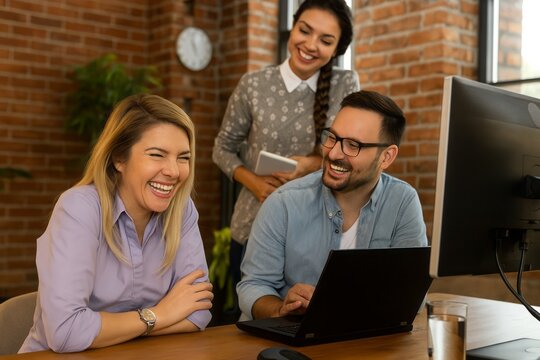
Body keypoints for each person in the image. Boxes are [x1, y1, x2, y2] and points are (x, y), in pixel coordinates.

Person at [19, 94, 213, 353]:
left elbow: (197, 313)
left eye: (183, 157)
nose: (174, 171)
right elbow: (66, 332)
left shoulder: (182, 208)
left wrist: (109, 329)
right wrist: (160, 314)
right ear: (119, 158)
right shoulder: (79, 208)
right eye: (157, 155)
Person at [212, 0, 360, 302]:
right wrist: (255, 183)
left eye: (325, 40)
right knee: (253, 323)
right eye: (304, 31)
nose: (310, 44)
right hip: (252, 225)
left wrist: (307, 164)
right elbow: (222, 149)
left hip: (318, 231)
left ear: (337, 49)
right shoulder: (253, 84)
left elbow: (350, 152)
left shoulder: (346, 84)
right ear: (292, 28)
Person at [237, 90, 428, 321]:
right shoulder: (283, 202)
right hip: (286, 338)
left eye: (353, 145)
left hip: (363, 341)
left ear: (386, 157)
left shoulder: (402, 202)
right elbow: (254, 285)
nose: (334, 153)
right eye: (332, 137)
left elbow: (410, 295)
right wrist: (280, 308)